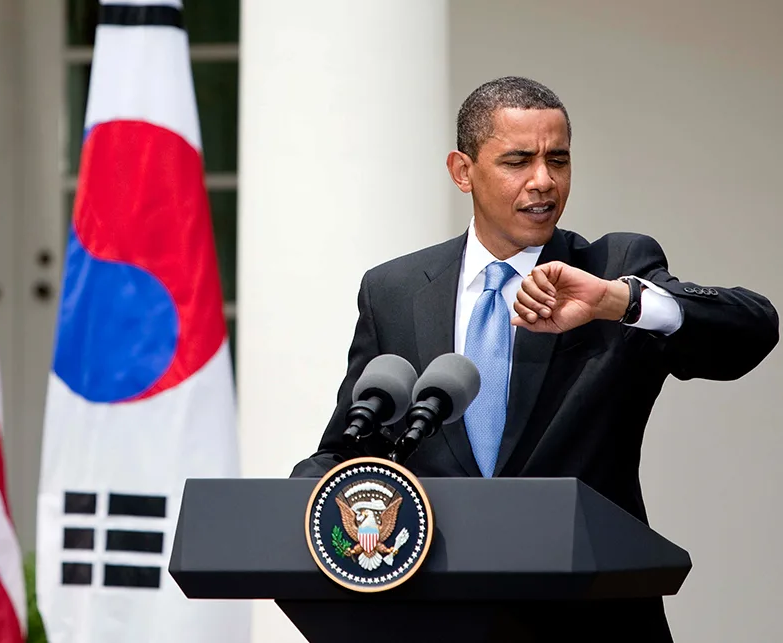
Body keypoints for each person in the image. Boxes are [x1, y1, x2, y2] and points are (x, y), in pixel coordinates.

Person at [290, 76, 779, 639]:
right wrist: (298, 499)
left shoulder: (611, 267)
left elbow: (751, 328)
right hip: (434, 617)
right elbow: (350, 447)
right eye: (517, 161)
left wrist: (617, 300)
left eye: (558, 160)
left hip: (590, 620)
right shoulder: (395, 290)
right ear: (462, 170)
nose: (543, 181)